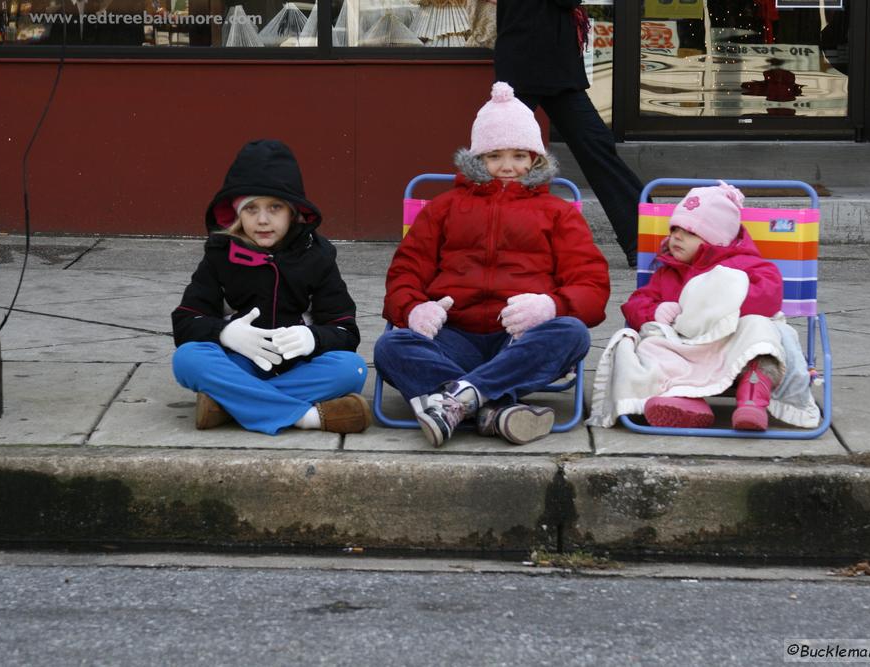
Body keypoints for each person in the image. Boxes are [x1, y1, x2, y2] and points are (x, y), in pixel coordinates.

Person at [375, 82, 610, 448]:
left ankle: (455, 400)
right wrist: (413, 308)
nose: (508, 167)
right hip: (454, 335)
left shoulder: (558, 213)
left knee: (572, 333)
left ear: (535, 159)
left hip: (517, 338)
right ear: (477, 159)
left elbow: (592, 286)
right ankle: (493, 408)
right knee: (391, 347)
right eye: (495, 155)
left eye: (520, 155)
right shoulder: (444, 207)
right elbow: (406, 271)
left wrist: (551, 306)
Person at [171, 139, 372, 435]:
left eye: (275, 207)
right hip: (239, 363)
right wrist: (225, 333)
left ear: (293, 212)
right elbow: (186, 322)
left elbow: (345, 330)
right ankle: (305, 417)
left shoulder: (318, 256)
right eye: (251, 209)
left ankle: (227, 405)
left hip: (300, 367)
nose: (263, 220)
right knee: (187, 359)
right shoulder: (220, 255)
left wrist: (312, 338)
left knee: (352, 369)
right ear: (237, 214)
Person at [590, 182, 786, 431]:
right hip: (684, 350)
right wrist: (655, 311)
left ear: (716, 240)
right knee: (644, 344)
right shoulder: (668, 272)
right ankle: (685, 401)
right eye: (674, 230)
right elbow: (636, 303)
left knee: (759, 328)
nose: (677, 238)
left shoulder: (747, 267)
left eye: (689, 232)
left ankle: (752, 400)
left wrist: (718, 304)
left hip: (729, 346)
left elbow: (769, 296)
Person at [494, 0, 644, 267]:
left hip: (555, 67)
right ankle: (481, 239)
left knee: (597, 147)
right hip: (523, 63)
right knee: (497, 154)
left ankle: (642, 241)